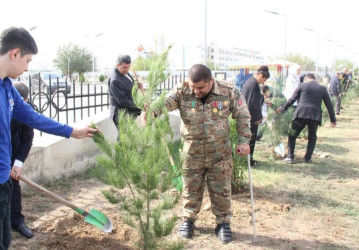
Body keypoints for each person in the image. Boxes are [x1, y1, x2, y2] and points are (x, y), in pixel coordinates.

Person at [0, 27, 98, 250]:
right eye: (27, 60)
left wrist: (72, 131)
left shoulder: (7, 87)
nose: (27, 68)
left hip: (3, 181)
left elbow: (32, 117)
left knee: (4, 241)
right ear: (14, 54)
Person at [149, 64, 251, 243]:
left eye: (200, 88)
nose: (196, 91)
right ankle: (188, 220)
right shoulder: (182, 90)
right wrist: (151, 111)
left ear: (211, 82)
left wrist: (244, 141)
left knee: (221, 190)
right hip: (192, 152)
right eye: (193, 87)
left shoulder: (228, 91)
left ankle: (223, 223)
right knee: (190, 188)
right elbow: (164, 103)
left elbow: (242, 115)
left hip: (220, 153)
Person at [276, 73, 336, 164]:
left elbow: (292, 99)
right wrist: (333, 119)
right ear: (314, 79)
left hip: (301, 114)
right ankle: (308, 158)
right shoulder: (322, 89)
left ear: (306, 79)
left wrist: (282, 108)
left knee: (292, 135)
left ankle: (290, 157)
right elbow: (329, 105)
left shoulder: (302, 85)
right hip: (314, 116)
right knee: (312, 138)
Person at [10, 82, 35, 238]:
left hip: (13, 144)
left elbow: (27, 138)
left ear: (26, 100)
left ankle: (16, 221)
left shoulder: (28, 110)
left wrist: (17, 163)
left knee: (13, 185)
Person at [241, 66, 270, 166]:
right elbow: (253, 102)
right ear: (260, 75)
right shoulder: (253, 84)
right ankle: (249, 160)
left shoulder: (250, 82)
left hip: (247, 115)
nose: (263, 82)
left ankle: (247, 159)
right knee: (251, 140)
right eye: (263, 79)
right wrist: (257, 118)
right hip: (251, 117)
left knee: (248, 140)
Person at [108, 54, 142, 128]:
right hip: (121, 114)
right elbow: (123, 101)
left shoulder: (123, 71)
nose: (127, 69)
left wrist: (137, 86)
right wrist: (140, 106)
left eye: (129, 66)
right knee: (123, 137)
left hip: (129, 112)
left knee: (130, 137)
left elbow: (128, 86)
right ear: (117, 65)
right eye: (125, 67)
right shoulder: (115, 80)